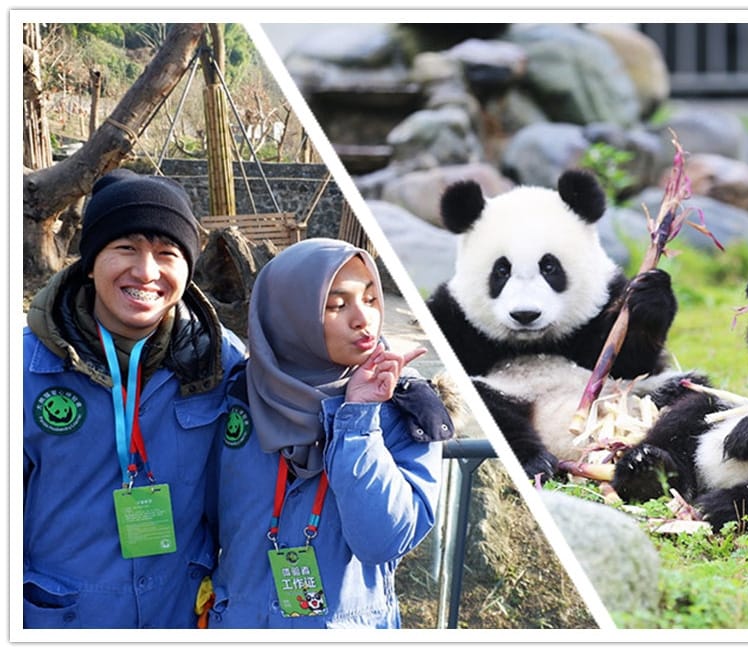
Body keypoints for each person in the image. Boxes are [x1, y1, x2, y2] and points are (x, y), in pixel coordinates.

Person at [22, 170, 245, 628]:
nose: (146, 271)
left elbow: (297, 399)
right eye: (125, 248)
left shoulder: (218, 359)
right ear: (90, 260)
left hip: (177, 614)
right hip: (60, 618)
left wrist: (383, 393)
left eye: (167, 253)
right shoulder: (25, 367)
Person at [207, 239, 450, 628]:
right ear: (288, 315)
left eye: (371, 299)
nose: (363, 319)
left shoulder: (404, 405)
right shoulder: (240, 399)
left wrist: (357, 420)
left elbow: (382, 541)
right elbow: (208, 520)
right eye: (337, 305)